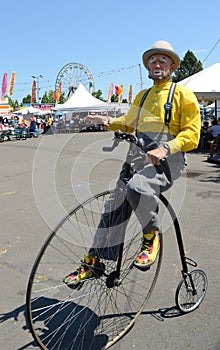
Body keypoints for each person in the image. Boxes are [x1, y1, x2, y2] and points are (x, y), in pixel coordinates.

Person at [64, 40, 201, 287]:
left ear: (172, 65)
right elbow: (128, 122)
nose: (157, 64)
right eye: (152, 60)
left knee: (138, 187)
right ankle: (95, 261)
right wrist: (105, 120)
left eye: (162, 60)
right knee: (113, 207)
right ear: (147, 67)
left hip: (168, 161)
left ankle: (151, 237)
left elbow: (193, 134)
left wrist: (166, 147)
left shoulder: (182, 94)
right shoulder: (143, 95)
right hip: (137, 157)